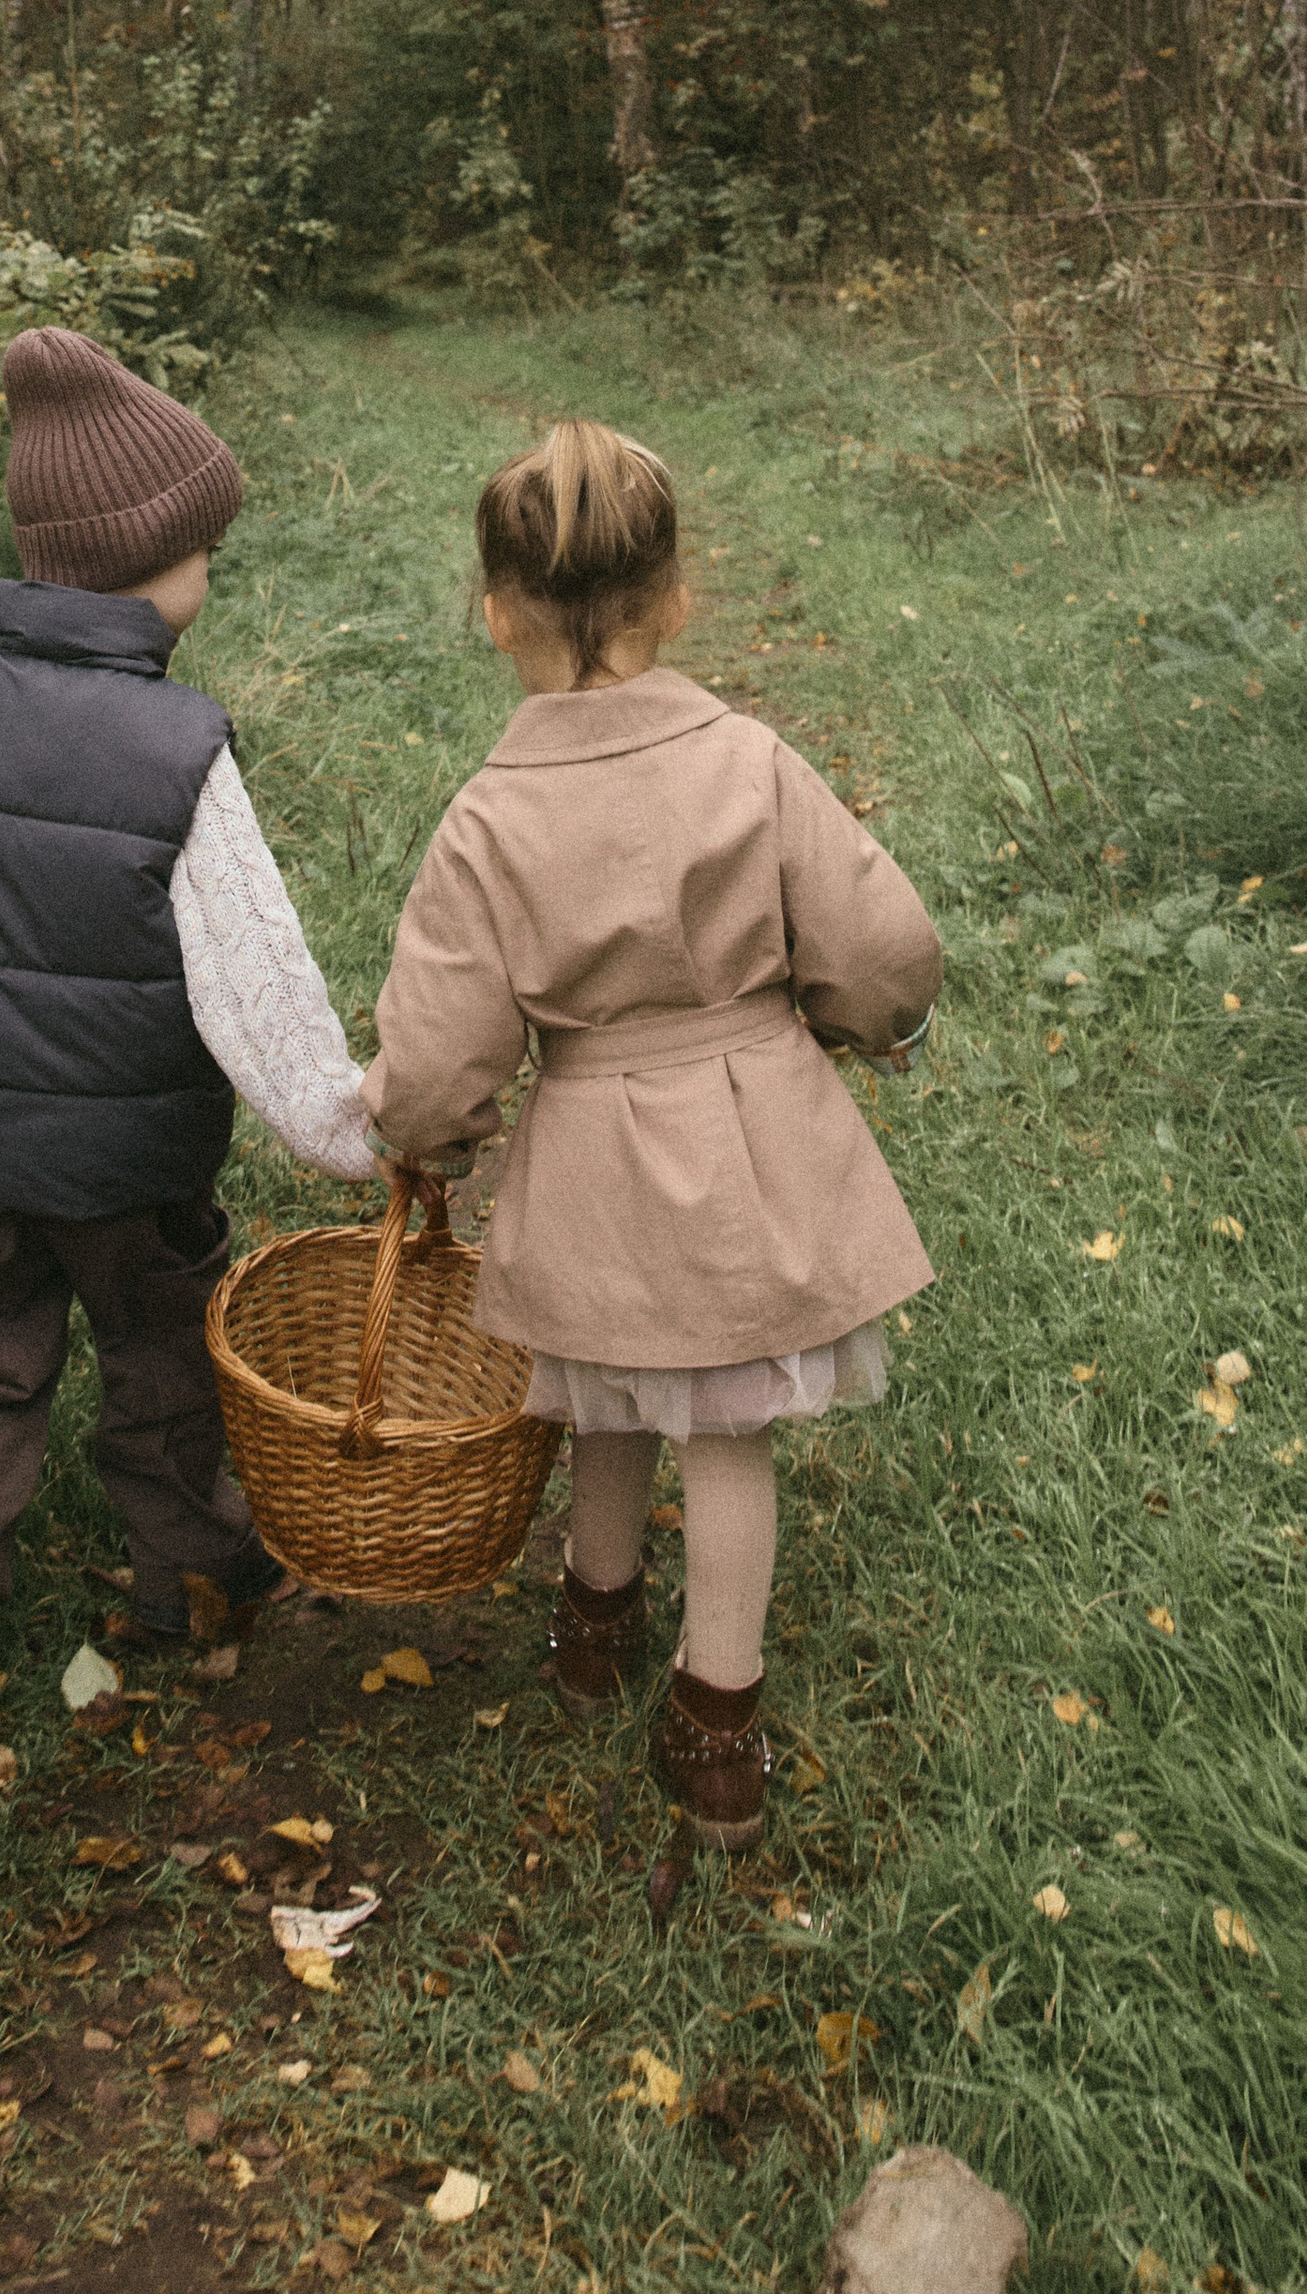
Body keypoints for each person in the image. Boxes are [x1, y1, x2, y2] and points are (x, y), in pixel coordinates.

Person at [361, 420, 939, 1880]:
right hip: (750, 1139)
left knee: (606, 1381)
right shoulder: (749, 760)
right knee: (727, 1422)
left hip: (596, 1149)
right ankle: (719, 1721)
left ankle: (594, 1620)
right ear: (676, 596)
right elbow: (880, 942)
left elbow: (439, 1042)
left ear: (493, 614)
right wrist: (871, 1019)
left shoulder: (491, 818)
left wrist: (428, 1136)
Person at [0, 326, 375, 1721]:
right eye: (204, 545)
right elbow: (253, 977)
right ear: (150, 564)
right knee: (164, 1349)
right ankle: (195, 1566)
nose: (211, 570)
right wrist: (346, 1124)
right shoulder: (179, 748)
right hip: (129, 1164)